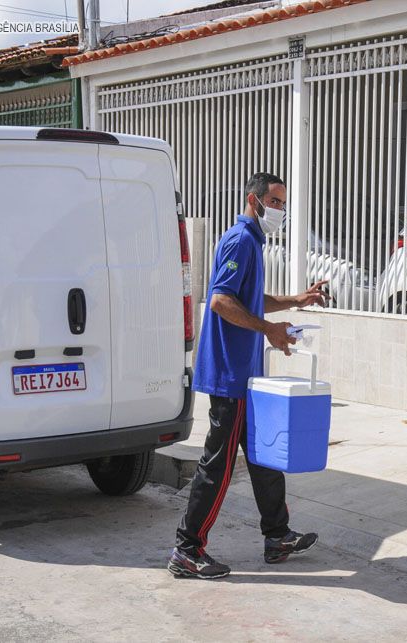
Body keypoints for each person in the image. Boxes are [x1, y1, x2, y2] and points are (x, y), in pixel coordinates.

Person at [168, 172, 330, 580]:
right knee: (217, 465)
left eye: (282, 203)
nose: (280, 210)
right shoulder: (241, 239)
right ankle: (187, 549)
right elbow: (221, 301)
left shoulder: (253, 242)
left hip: (246, 374)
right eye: (274, 202)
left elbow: (250, 300)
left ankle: (277, 536)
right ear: (253, 200)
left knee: (263, 456)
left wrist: (298, 300)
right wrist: (269, 331)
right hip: (230, 374)